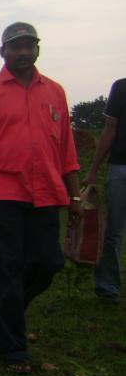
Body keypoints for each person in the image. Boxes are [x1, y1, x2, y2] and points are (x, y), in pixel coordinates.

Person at [0, 22, 82, 374]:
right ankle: (13, 351)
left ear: (37, 49)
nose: (24, 52)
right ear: (3, 52)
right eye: (16, 47)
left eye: (30, 45)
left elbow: (66, 149)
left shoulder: (54, 92)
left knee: (49, 263)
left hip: (46, 192)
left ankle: (6, 310)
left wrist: (75, 195)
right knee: (6, 269)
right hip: (2, 194)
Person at [83, 78, 126, 304]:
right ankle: (107, 287)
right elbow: (109, 129)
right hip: (120, 167)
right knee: (114, 231)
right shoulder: (121, 87)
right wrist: (93, 169)